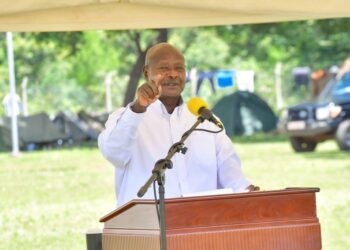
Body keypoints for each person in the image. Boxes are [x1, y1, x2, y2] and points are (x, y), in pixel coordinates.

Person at [98, 43, 258, 207]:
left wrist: (250, 194)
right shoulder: (127, 117)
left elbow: (234, 179)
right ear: (147, 73)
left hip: (199, 224)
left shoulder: (206, 121)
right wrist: (138, 108)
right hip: (145, 226)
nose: (173, 74)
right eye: (164, 68)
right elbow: (114, 153)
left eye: (179, 68)